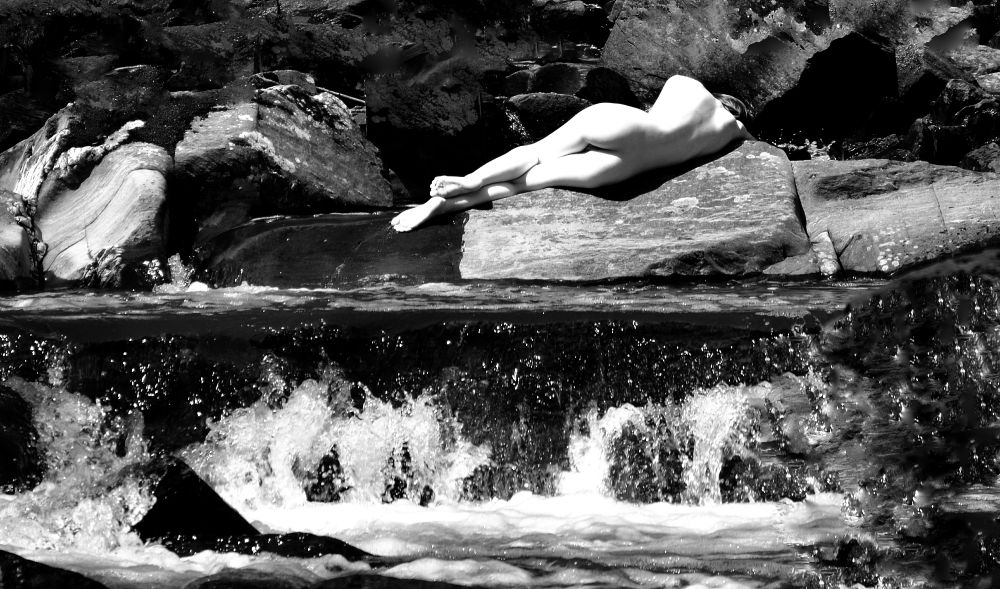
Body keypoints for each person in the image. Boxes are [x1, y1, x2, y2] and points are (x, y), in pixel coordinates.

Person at [391, 75, 753, 232]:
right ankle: (449, 205)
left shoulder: (686, 85)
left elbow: (656, 113)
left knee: (534, 152)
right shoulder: (732, 131)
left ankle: (464, 182)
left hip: (626, 125)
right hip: (627, 167)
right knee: (523, 186)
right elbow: (756, 144)